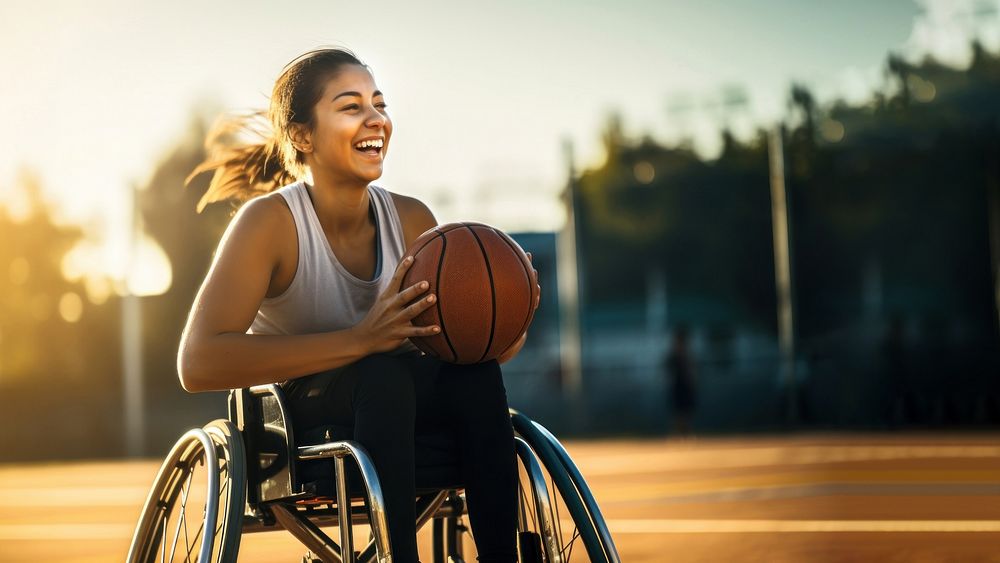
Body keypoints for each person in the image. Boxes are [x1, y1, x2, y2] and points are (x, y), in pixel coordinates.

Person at [177, 47, 534, 563]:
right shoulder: (270, 224)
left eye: (379, 103)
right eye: (351, 106)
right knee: (380, 374)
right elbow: (198, 363)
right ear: (302, 136)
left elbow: (457, 349)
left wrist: (507, 321)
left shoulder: (412, 219)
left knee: (474, 378)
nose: (376, 119)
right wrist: (359, 341)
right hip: (299, 408)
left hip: (395, 396)